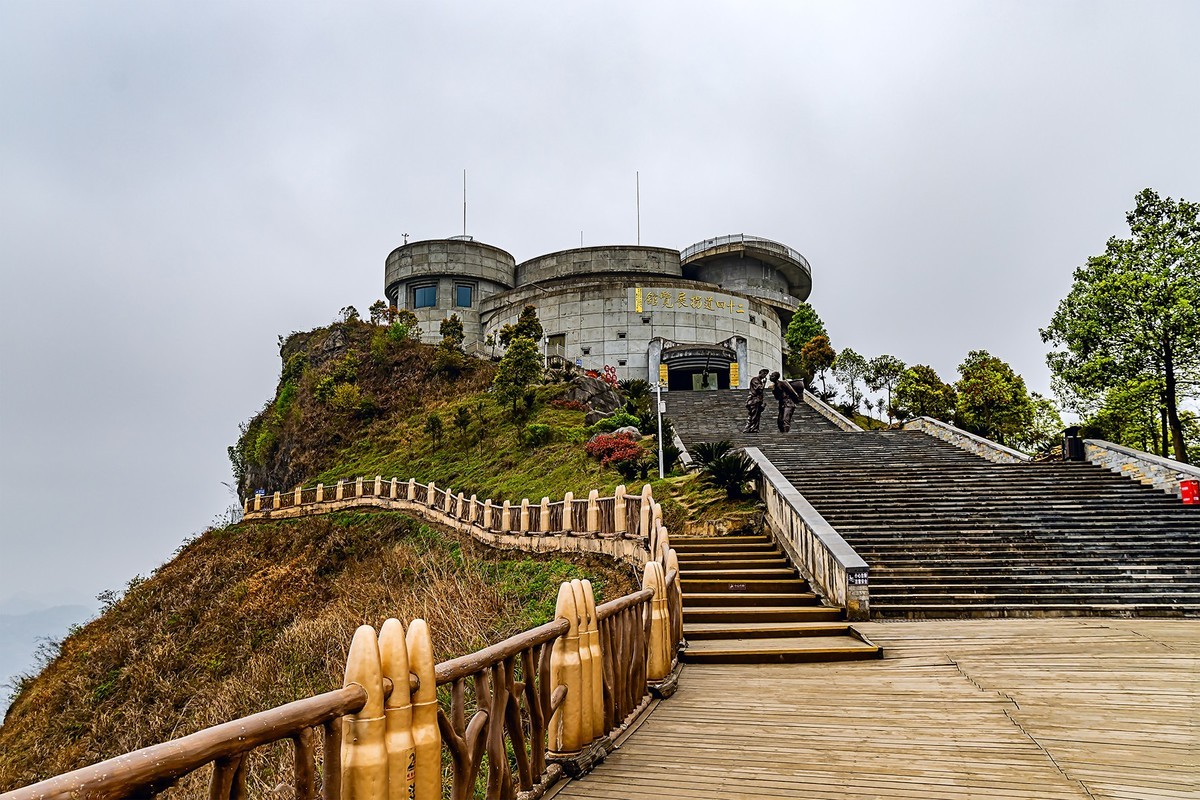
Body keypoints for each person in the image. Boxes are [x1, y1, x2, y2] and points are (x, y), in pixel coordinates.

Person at [743, 368, 770, 433]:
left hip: (758, 401)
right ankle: (748, 428)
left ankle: (755, 428)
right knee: (753, 415)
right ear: (760, 373)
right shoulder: (755, 379)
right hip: (754, 400)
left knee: (757, 416)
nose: (765, 375)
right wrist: (764, 383)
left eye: (766, 374)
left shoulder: (759, 381)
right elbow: (759, 388)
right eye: (764, 373)